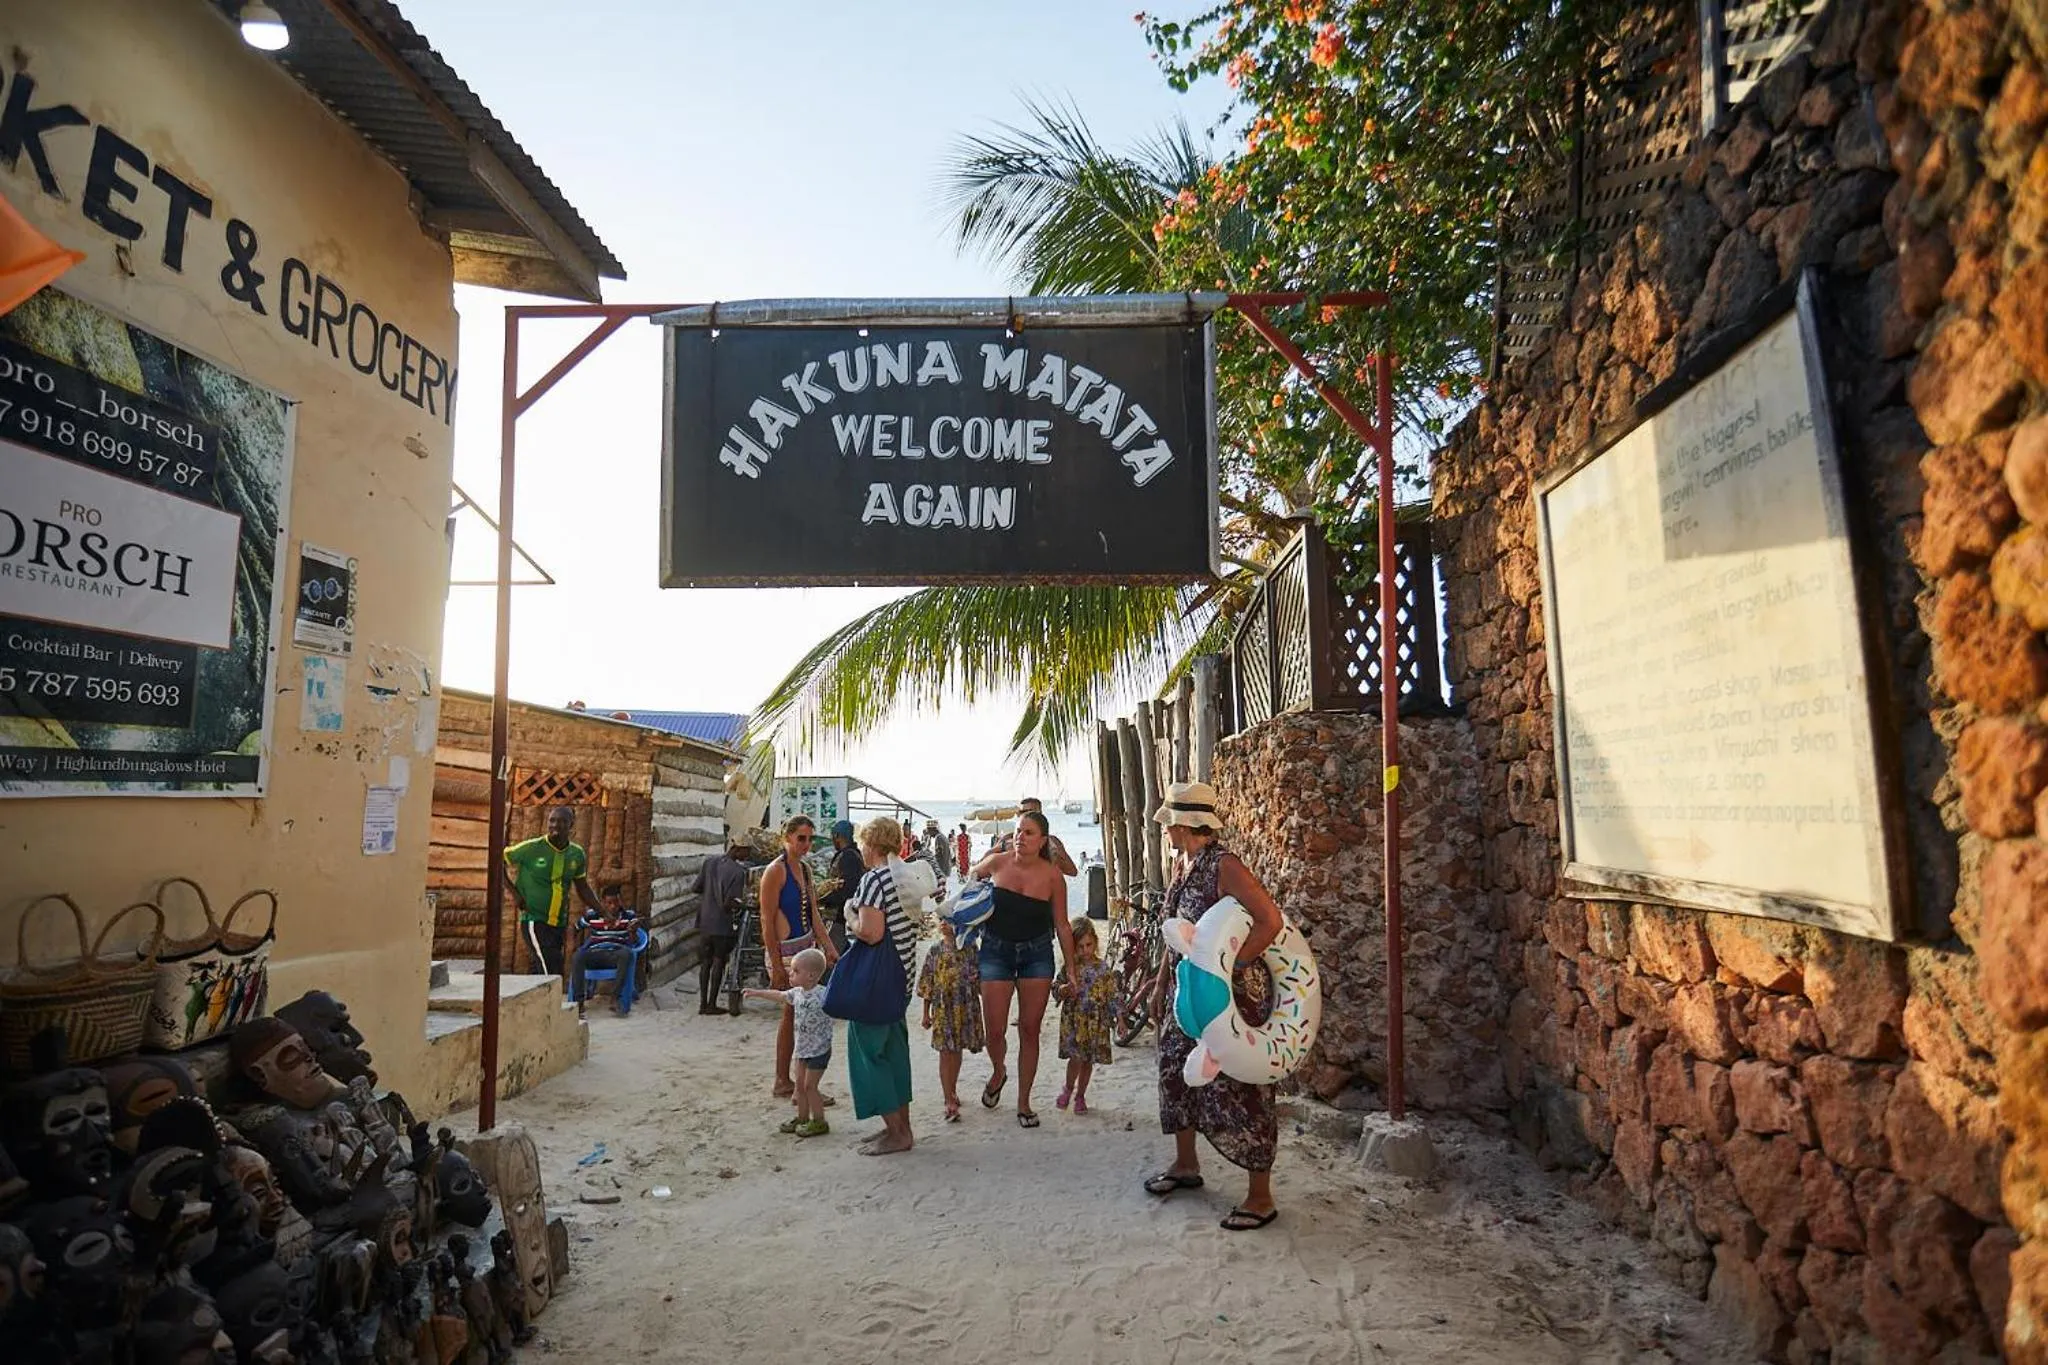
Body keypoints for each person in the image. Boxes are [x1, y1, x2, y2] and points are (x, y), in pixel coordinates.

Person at [1144, 780, 1286, 1232]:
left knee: (1241, 1085)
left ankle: (1260, 1197)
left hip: (1229, 997)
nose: (1166, 830)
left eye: (1169, 823)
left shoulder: (1225, 866)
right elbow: (1177, 934)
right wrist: (1160, 983)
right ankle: (1186, 1164)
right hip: (1184, 993)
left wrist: (1234, 966)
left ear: (1185, 825)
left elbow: (1270, 921)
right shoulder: (1183, 865)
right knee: (1175, 1071)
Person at [969, 810, 1078, 1129]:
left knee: (1030, 1030)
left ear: (1043, 841)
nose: (1021, 837)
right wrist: (990, 853)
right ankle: (998, 1071)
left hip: (1036, 953)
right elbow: (971, 877)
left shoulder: (1052, 876)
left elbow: (1062, 924)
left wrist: (1071, 968)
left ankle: (1024, 1102)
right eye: (1018, 831)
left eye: (1029, 833)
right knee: (995, 1030)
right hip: (995, 951)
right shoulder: (997, 863)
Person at [845, 817, 921, 1155]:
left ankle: (897, 1133)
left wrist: (849, 915)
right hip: (901, 976)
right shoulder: (903, 876)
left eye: (863, 843)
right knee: (894, 1054)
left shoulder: (874, 879)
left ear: (872, 844)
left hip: (876, 981)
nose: (861, 848)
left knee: (869, 1055)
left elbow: (871, 933)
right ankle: (901, 1127)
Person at [759, 816, 839, 1104]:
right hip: (785, 951)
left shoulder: (804, 869)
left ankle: (791, 1081)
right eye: (801, 838)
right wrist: (777, 966)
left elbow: (813, 913)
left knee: (799, 1014)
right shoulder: (775, 871)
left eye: (809, 839)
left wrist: (829, 947)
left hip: (804, 946)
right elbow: (766, 920)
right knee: (793, 1014)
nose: (806, 844)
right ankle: (788, 1082)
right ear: (787, 838)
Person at [503, 807, 601, 979]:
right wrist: (515, 893)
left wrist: (603, 911)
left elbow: (582, 887)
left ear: (571, 825)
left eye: (562, 821)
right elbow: (497, 859)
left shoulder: (576, 854)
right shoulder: (532, 848)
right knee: (551, 971)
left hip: (558, 923)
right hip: (534, 919)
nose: (555, 825)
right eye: (552, 820)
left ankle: (537, 996)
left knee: (545, 968)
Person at [744, 947, 832, 1138]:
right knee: (800, 1086)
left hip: (819, 1051)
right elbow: (779, 995)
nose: (791, 974)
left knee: (810, 1087)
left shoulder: (824, 995)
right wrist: (757, 993)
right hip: (801, 1050)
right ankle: (802, 1118)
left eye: (795, 971)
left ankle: (819, 1121)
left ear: (810, 975)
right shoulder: (797, 993)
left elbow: (842, 1005)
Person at [917, 913, 984, 1123]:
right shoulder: (935, 950)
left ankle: (952, 1090)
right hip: (943, 1009)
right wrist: (925, 1013)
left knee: (956, 1050)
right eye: (942, 920)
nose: (944, 923)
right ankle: (948, 1099)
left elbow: (981, 981)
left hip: (964, 1007)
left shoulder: (970, 949)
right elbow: (927, 982)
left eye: (949, 920)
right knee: (946, 1052)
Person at [1054, 917, 1117, 1115]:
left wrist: (1120, 1020)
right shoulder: (1070, 968)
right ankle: (1068, 1088)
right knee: (1075, 1058)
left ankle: (1080, 1095)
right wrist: (1063, 990)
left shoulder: (1103, 968)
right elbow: (1056, 988)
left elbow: (1112, 995)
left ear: (1095, 943)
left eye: (1088, 945)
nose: (1085, 950)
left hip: (1095, 1023)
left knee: (1088, 1061)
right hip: (1075, 1022)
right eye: (1080, 946)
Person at [692, 838, 751, 1015]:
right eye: (746, 851)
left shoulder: (709, 862)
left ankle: (703, 1004)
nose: (748, 855)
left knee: (705, 962)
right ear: (737, 849)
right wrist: (743, 904)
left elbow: (696, 887)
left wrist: (710, 894)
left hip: (705, 921)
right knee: (719, 961)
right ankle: (712, 1003)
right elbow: (728, 903)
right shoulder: (738, 872)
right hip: (721, 923)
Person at [567, 884, 639, 1019]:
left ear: (620, 901)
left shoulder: (628, 916)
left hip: (615, 954)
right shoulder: (592, 915)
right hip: (595, 953)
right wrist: (572, 944)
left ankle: (615, 997)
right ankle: (578, 1002)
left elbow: (634, 942)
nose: (613, 906)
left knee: (627, 953)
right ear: (603, 903)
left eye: (616, 902)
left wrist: (632, 932)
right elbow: (574, 928)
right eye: (609, 903)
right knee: (578, 956)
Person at [817, 819, 864, 958]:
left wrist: (822, 899)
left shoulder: (848, 857)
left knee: (832, 958)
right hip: (842, 917)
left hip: (840, 919)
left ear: (838, 836)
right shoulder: (852, 854)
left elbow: (847, 890)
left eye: (833, 836)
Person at [1018, 797, 1079, 875]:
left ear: (1040, 813)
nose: (1025, 815)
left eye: (1029, 812)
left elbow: (1072, 871)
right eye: (1022, 812)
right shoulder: (1011, 840)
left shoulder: (1052, 841)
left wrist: (1053, 857)